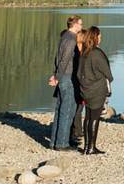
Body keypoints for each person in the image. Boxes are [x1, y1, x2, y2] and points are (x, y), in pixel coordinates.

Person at [48, 15, 83, 151]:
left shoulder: (64, 37)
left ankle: (54, 142)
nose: (81, 27)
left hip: (63, 76)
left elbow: (57, 58)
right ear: (74, 24)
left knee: (60, 109)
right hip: (67, 77)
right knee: (67, 110)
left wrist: (55, 74)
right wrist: (57, 76)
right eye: (80, 24)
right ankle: (62, 143)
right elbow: (64, 60)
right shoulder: (71, 39)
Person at [78, 25, 113, 155]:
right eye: (99, 35)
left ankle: (87, 146)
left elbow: (78, 73)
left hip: (85, 89)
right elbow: (108, 73)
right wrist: (107, 80)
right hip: (97, 90)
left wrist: (84, 84)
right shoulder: (97, 53)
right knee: (95, 118)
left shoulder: (84, 52)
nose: (101, 37)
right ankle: (91, 147)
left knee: (88, 117)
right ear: (95, 36)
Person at [70, 28, 88, 148]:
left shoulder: (78, 51)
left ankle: (77, 132)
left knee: (78, 109)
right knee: (77, 109)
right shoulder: (79, 53)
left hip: (77, 84)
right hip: (77, 85)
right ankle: (76, 133)